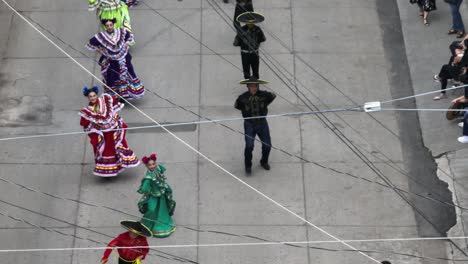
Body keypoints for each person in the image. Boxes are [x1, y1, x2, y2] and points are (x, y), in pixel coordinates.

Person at [79, 86, 139, 177]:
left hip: (113, 131)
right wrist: (93, 125)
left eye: (94, 95)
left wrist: (121, 99)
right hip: (104, 135)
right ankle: (108, 170)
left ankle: (120, 164)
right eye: (90, 96)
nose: (93, 98)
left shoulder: (105, 100)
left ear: (96, 95)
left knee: (116, 147)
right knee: (106, 151)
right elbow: (84, 122)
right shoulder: (88, 111)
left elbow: (115, 102)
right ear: (88, 97)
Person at [86, 18, 145, 100]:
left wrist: (125, 46)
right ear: (105, 26)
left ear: (113, 25)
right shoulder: (102, 36)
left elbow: (129, 37)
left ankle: (126, 97)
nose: (109, 27)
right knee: (113, 78)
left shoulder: (121, 31)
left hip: (124, 60)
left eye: (111, 25)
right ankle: (117, 98)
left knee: (128, 75)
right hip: (112, 62)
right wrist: (103, 51)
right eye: (107, 26)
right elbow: (91, 43)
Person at [235, 79, 276, 174]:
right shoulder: (242, 98)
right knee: (249, 146)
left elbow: (273, 96)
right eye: (251, 86)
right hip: (249, 124)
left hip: (262, 123)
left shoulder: (264, 95)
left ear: (258, 86)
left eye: (255, 86)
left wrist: (265, 105)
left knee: (267, 145)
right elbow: (237, 106)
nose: (254, 88)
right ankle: (248, 166)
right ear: (248, 87)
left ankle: (264, 161)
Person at [137, 153, 176, 237]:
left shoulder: (158, 169)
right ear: (147, 166)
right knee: (151, 209)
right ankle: (147, 225)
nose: (152, 166)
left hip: (162, 193)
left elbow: (162, 173)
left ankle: (161, 223)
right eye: (149, 165)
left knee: (162, 209)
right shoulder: (148, 177)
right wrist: (149, 190)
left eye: (153, 164)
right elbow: (144, 188)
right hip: (153, 196)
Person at [234, 12, 266, 80]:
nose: (250, 24)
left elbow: (262, 39)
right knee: (246, 71)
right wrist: (243, 38)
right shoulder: (242, 30)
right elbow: (236, 43)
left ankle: (256, 85)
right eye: (249, 22)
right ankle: (249, 86)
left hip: (255, 52)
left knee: (255, 70)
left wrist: (255, 44)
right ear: (246, 22)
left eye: (252, 22)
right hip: (245, 53)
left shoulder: (257, 29)